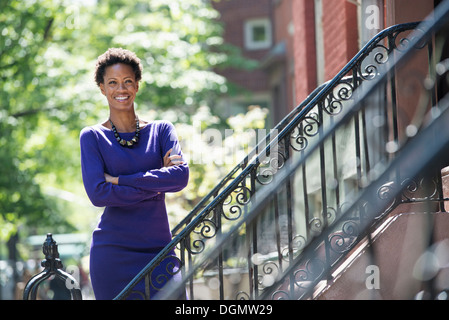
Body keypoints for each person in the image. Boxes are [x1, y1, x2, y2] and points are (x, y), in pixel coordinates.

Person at [79, 48, 189, 300]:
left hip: (159, 249)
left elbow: (180, 177)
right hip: (112, 253)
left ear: (137, 86)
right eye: (113, 83)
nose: (121, 89)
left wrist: (120, 180)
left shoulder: (161, 131)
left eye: (128, 81)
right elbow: (98, 194)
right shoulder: (92, 137)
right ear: (102, 88)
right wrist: (156, 183)